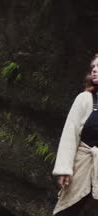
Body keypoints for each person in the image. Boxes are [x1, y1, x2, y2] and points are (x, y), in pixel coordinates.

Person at [53, 54, 98, 215]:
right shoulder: (84, 99)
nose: (95, 70)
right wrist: (64, 169)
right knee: (67, 210)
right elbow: (69, 135)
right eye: (93, 67)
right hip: (82, 165)